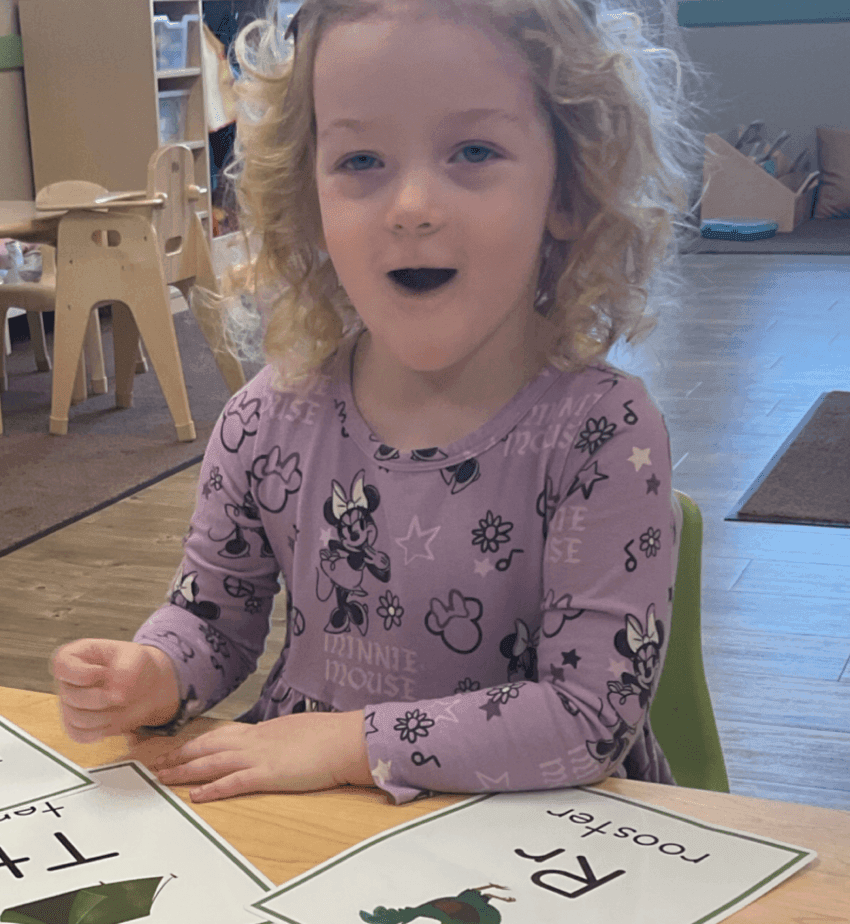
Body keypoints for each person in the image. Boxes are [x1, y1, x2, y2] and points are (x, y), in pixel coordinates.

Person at [51, 0, 708, 806]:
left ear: (567, 190)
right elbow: (214, 620)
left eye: (473, 150)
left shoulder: (602, 433)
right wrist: (152, 671)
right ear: (308, 196)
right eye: (361, 161)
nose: (411, 207)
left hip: (535, 839)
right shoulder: (265, 423)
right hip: (312, 822)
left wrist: (347, 743)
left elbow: (587, 716)